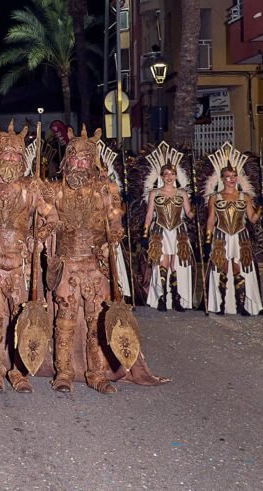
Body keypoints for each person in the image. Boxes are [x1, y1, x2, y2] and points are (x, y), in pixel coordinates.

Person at [45, 127, 166, 393]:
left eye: (86, 159)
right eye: (75, 158)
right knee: (64, 320)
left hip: (94, 266)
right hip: (68, 264)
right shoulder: (55, 191)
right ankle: (64, 371)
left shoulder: (106, 189)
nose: (80, 164)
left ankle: (96, 373)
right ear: (67, 160)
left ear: (93, 162)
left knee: (95, 321)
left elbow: (115, 221)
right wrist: (46, 230)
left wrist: (115, 232)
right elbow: (48, 221)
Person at [0, 121, 51, 393]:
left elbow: (50, 217)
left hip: (21, 265)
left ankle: (18, 370)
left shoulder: (32, 189)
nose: (11, 159)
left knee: (22, 320)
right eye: (5, 154)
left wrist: (39, 235)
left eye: (16, 155)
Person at [203, 151, 263, 316]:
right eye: (228, 176)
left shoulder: (245, 197)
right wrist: (207, 241)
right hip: (221, 236)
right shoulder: (214, 197)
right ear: (222, 178)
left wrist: (261, 207)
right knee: (222, 267)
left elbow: (252, 219)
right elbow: (211, 219)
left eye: (234, 176)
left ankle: (241, 304)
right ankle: (222, 304)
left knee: (239, 268)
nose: (231, 179)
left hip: (240, 237)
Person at [142, 158, 195, 312]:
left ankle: (175, 297)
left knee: (175, 264)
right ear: (162, 176)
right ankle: (162, 297)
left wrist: (198, 208)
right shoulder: (154, 193)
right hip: (160, 231)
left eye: (172, 174)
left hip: (179, 231)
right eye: (166, 174)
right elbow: (149, 214)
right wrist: (145, 235)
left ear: (176, 176)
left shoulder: (182, 193)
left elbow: (189, 214)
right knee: (162, 263)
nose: (169, 177)